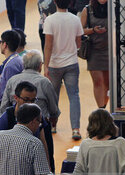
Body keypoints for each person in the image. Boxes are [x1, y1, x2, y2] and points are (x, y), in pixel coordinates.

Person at [0, 50, 59, 170]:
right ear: (39, 66)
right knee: (46, 161)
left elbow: (4, 107)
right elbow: (53, 109)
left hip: (15, 126)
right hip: (40, 126)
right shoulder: (44, 82)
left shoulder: (13, 80)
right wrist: (52, 120)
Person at [43, 0, 84, 139]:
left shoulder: (50, 20)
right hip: (72, 63)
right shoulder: (75, 19)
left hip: (55, 64)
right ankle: (76, 129)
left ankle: (53, 125)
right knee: (74, 95)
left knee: (53, 97)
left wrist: (46, 66)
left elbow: (48, 45)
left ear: (54, 2)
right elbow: (79, 43)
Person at [0, 81, 54, 172]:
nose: (29, 103)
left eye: (33, 100)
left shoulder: (38, 115)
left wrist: (48, 166)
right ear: (16, 98)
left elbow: (44, 142)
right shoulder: (5, 118)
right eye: (26, 99)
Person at [81, 0, 109, 108]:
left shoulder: (114, 9)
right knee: (98, 82)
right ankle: (101, 109)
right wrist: (93, 30)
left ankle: (104, 106)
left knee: (107, 83)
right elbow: (80, 30)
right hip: (94, 50)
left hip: (110, 51)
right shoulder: (87, 10)